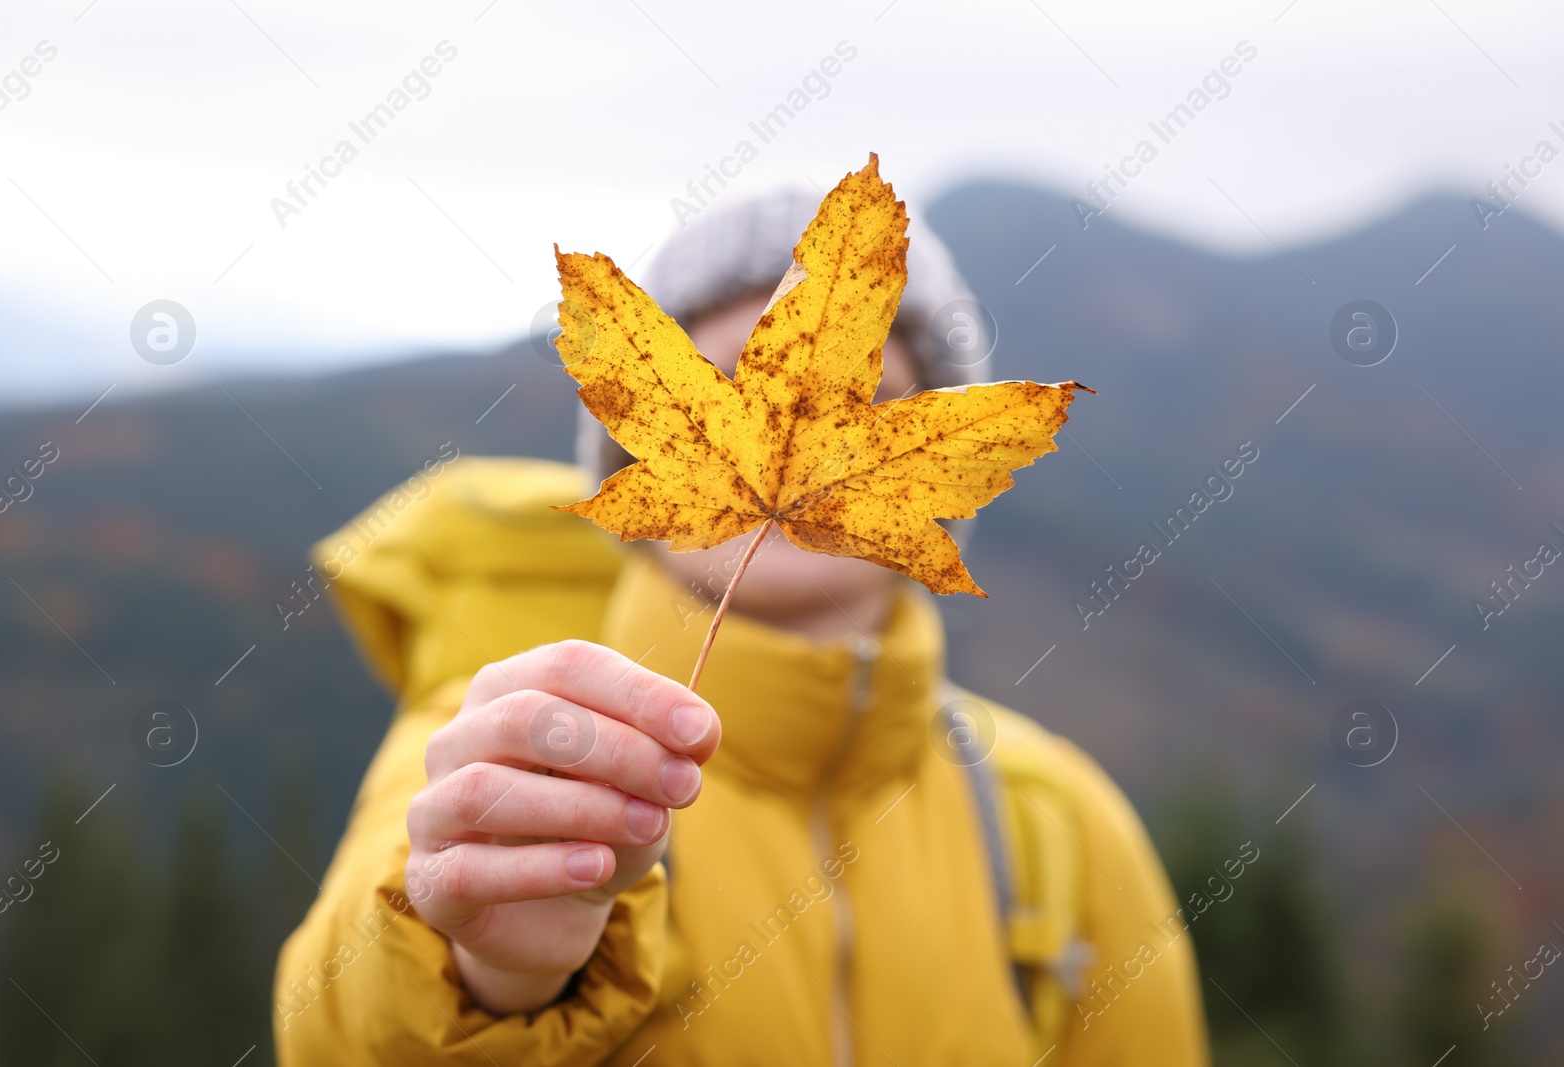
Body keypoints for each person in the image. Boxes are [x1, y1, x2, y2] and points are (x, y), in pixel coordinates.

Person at [273, 191, 1209, 1064]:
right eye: (721, 380)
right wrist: (493, 974)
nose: (795, 417)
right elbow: (329, 1025)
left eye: (868, 399)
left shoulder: (1059, 823)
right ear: (637, 452)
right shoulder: (520, 742)